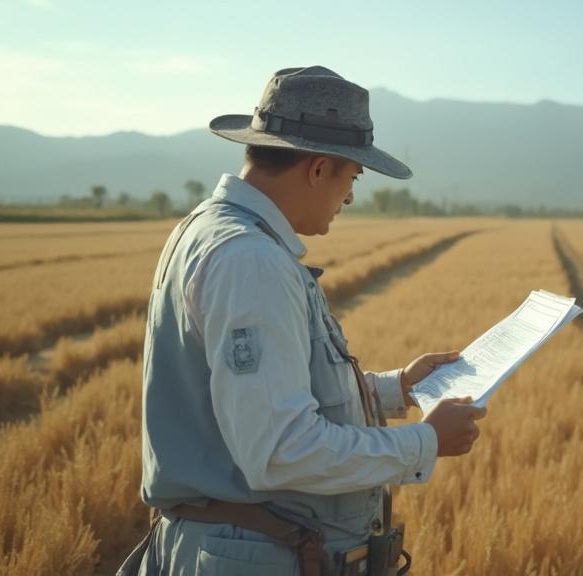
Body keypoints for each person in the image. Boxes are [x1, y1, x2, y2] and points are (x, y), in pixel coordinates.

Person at [119, 66, 487, 576]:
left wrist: (393, 389)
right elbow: (280, 450)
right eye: (352, 176)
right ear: (318, 169)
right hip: (253, 558)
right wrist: (425, 442)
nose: (352, 197)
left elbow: (258, 398)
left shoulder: (208, 229)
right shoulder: (250, 260)